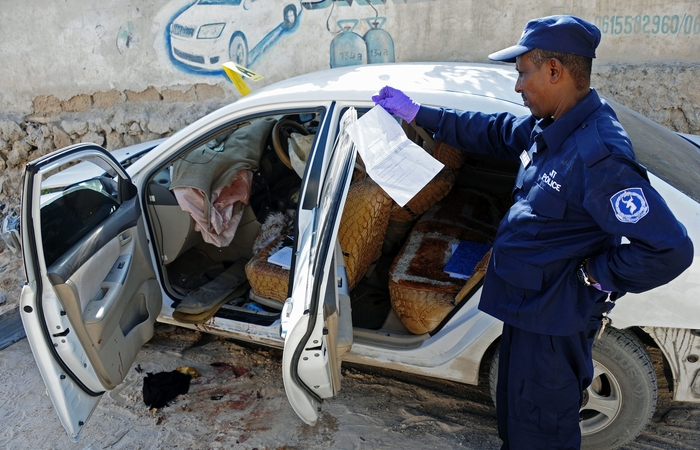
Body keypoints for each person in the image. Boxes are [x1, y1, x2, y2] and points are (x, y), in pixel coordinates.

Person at [372, 15, 694, 450]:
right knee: (518, 426)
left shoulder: (597, 155)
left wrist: (593, 275)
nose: (519, 86)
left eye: (523, 73)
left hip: (553, 327)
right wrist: (419, 114)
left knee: (540, 437)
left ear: (555, 71)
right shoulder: (556, 125)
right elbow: (495, 131)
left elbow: (669, 249)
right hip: (530, 313)